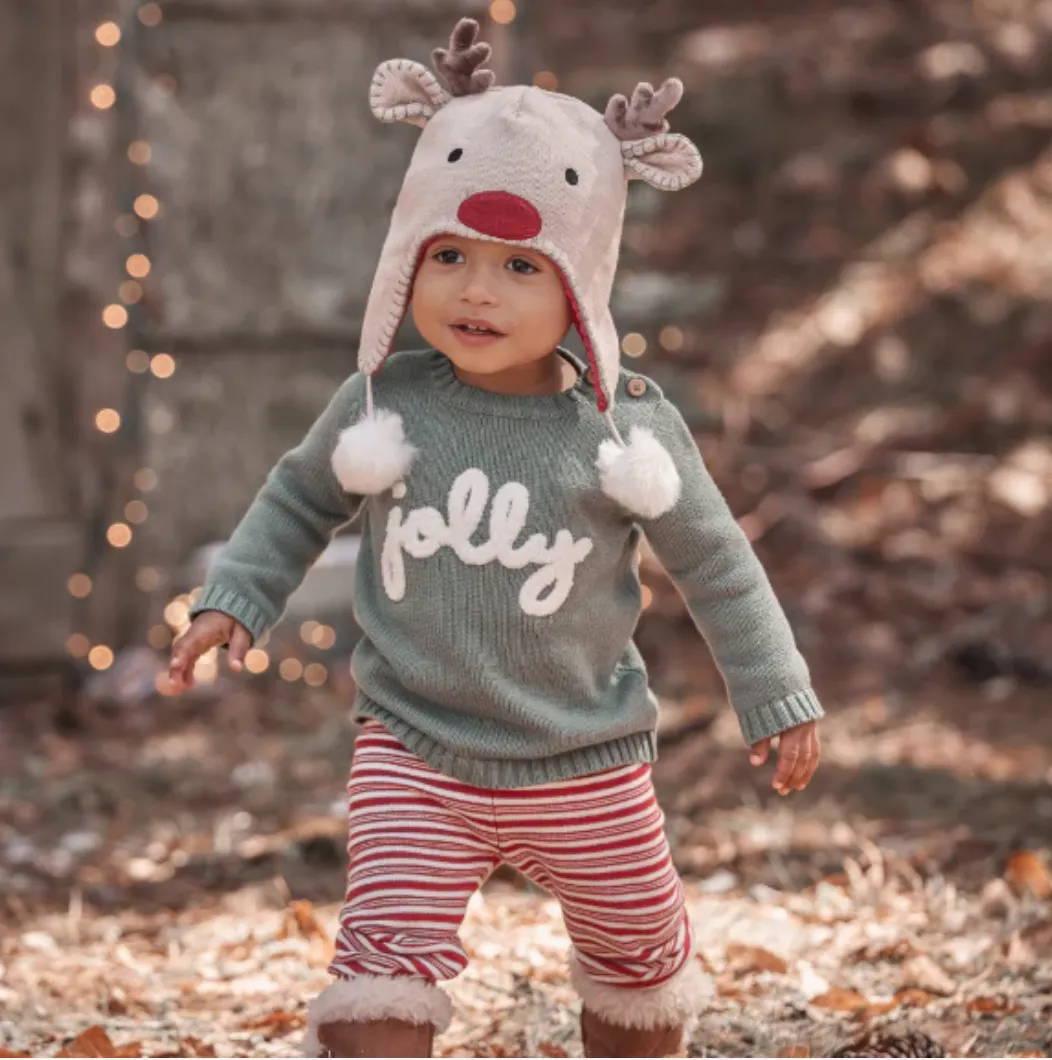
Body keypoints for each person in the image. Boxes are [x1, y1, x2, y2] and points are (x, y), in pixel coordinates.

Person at [168, 18, 823, 1059]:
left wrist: (773, 689)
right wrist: (231, 600)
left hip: (586, 756)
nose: (476, 289)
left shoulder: (623, 426)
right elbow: (297, 498)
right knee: (378, 973)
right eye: (448, 255)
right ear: (405, 260)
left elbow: (716, 562)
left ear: (578, 280)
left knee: (639, 972)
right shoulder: (383, 402)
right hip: (413, 749)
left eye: (521, 266)